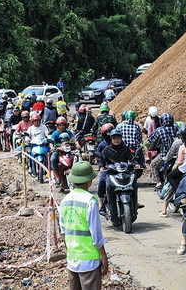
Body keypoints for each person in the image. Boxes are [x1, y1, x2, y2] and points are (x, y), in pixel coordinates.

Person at [59, 161, 109, 290]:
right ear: (89, 181)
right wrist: (104, 256)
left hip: (72, 258)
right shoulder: (90, 201)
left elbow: (63, 231)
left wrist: (69, 251)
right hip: (89, 260)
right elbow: (96, 235)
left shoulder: (65, 200)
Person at [100, 128, 136, 225]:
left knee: (134, 181)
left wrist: (135, 164)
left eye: (118, 137)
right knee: (101, 183)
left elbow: (132, 159)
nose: (116, 140)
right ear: (111, 139)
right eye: (114, 138)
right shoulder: (106, 150)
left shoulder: (125, 149)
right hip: (111, 174)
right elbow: (101, 160)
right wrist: (101, 166)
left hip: (124, 173)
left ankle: (135, 202)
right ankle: (102, 205)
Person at [163, 126, 186, 217]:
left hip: (184, 169)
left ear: (181, 137)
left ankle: (177, 192)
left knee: (170, 176)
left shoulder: (182, 147)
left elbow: (180, 162)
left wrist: (175, 166)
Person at [147, 113, 177, 189]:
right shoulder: (176, 128)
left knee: (153, 165)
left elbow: (153, 142)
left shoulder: (159, 130)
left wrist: (151, 148)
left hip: (165, 155)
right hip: (177, 155)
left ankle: (158, 182)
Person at [94, 123, 115, 209]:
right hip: (107, 168)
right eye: (107, 134)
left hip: (120, 168)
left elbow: (127, 155)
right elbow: (99, 159)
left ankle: (134, 201)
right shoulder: (102, 145)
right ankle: (100, 202)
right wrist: (101, 166)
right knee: (102, 181)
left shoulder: (121, 143)